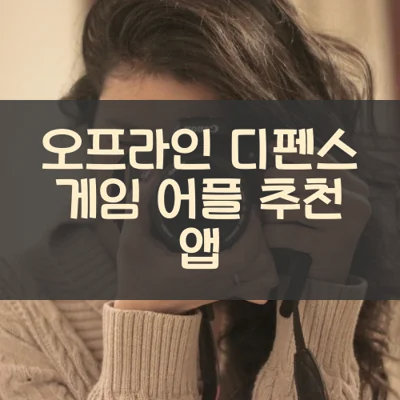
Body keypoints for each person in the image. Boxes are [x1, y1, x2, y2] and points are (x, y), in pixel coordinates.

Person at [0, 0, 396, 399]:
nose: (158, 180)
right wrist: (147, 323)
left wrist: (318, 298)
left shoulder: (350, 281)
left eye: (199, 147)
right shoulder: (17, 310)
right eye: (127, 142)